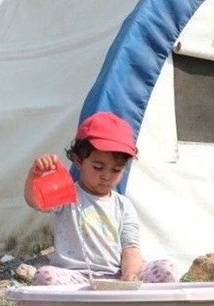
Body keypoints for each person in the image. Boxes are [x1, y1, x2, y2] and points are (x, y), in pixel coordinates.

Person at [23, 111, 178, 286]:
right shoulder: (67, 195)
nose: (106, 176)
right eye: (98, 167)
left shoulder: (123, 206)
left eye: (116, 170)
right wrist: (35, 176)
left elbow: (131, 248)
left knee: (166, 268)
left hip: (116, 276)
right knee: (45, 275)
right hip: (76, 278)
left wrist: (130, 274)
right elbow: (35, 201)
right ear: (78, 161)